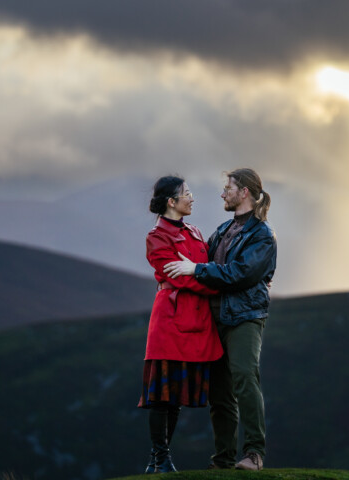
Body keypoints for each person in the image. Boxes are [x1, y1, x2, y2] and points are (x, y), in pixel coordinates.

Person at [163, 168, 277, 471]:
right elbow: (199, 261)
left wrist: (195, 270)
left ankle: (254, 454)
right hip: (215, 319)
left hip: (244, 318)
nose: (222, 193)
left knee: (244, 378)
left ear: (245, 193)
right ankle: (223, 461)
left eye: (228, 187)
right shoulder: (223, 230)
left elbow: (240, 274)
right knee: (220, 393)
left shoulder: (262, 235)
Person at [138, 175, 224, 474]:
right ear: (171, 202)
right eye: (187, 193)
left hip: (197, 319)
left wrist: (203, 273)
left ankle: (158, 460)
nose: (192, 197)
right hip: (170, 321)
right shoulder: (157, 237)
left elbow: (197, 272)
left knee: (175, 394)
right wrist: (215, 283)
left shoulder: (195, 232)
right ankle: (160, 457)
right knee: (163, 394)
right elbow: (179, 277)